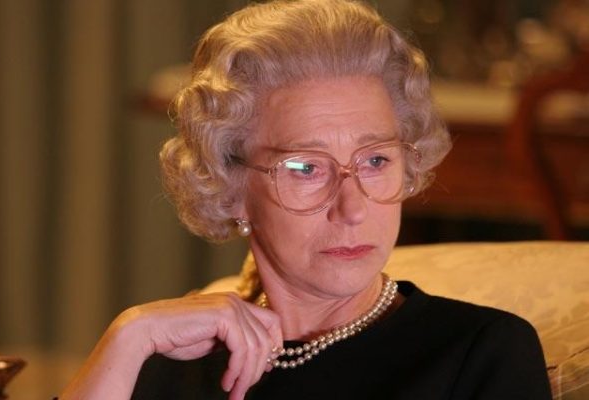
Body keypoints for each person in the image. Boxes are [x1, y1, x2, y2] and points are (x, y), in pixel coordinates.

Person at [61, 0, 552, 399]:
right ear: (229, 186)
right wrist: (129, 336)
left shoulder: (479, 353)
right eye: (305, 168)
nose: (353, 208)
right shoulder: (169, 360)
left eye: (376, 160)